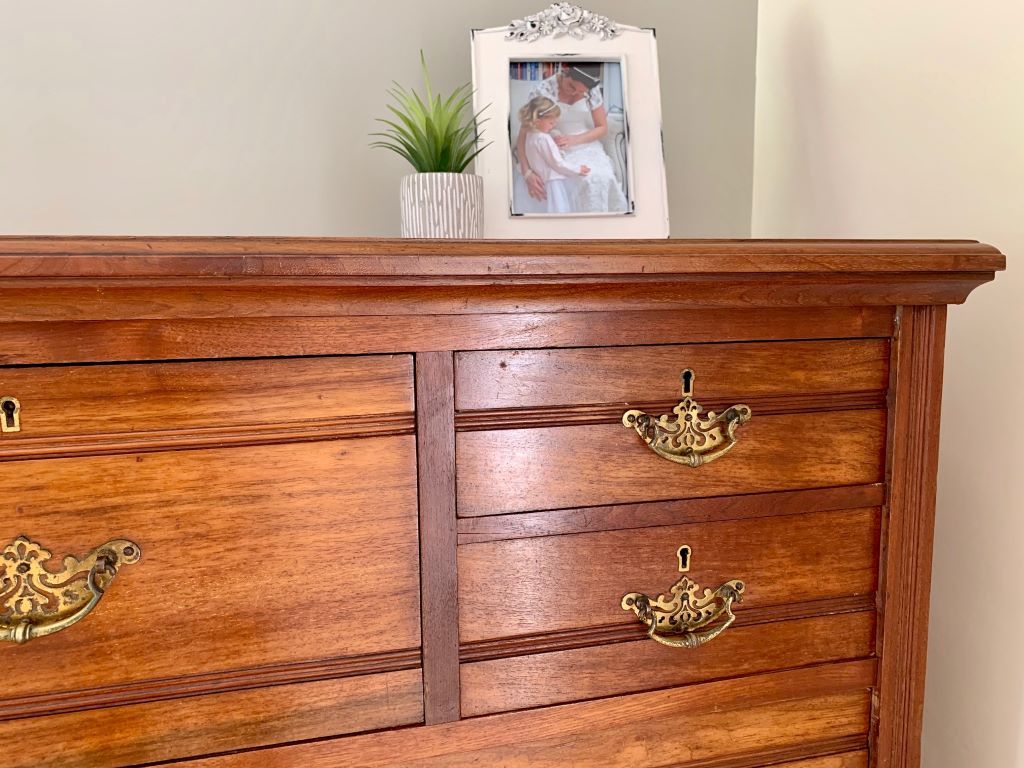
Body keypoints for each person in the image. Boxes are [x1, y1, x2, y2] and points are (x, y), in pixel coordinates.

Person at [514, 63, 628, 213]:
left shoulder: (592, 90)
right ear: (565, 71)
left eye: (581, 92)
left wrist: (574, 140)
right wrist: (527, 172)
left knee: (600, 177)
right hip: (552, 146)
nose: (574, 93)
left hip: (585, 142)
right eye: (571, 86)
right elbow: (524, 133)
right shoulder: (544, 90)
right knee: (565, 180)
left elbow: (602, 127)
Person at [518, 96, 591, 214]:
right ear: (537, 121)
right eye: (551, 123)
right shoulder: (544, 139)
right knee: (558, 210)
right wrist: (577, 169)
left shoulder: (530, 134)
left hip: (540, 177)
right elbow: (557, 164)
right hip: (552, 182)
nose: (553, 125)